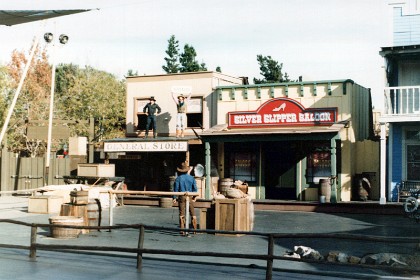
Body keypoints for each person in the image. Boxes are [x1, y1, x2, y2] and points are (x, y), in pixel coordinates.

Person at [173, 161, 198, 235]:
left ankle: (182, 230)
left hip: (181, 196)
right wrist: (194, 196)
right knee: (192, 212)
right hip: (189, 195)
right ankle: (194, 229)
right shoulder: (191, 178)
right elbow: (195, 189)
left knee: (181, 213)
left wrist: (174, 198)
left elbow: (175, 189)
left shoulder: (178, 179)